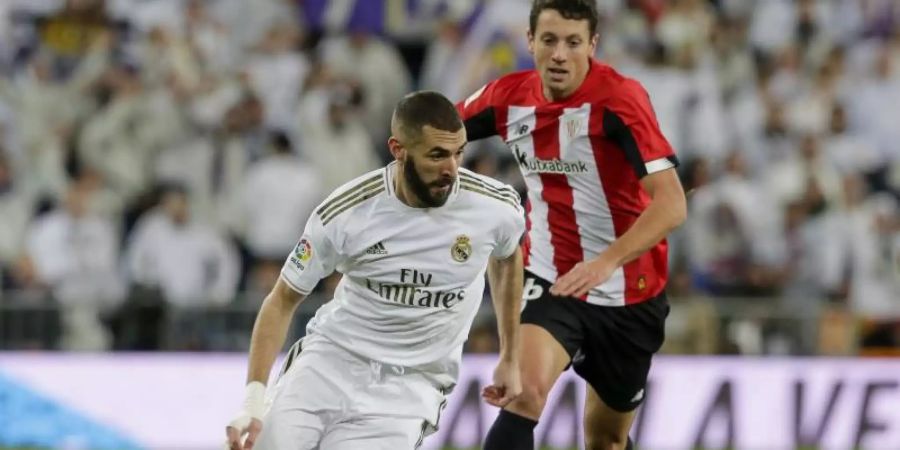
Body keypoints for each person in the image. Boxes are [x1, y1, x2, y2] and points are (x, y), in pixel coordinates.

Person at [225, 91, 526, 450]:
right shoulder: (346, 213)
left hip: (408, 389)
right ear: (398, 150)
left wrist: (510, 356)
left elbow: (508, 259)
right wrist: (253, 402)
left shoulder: (495, 207)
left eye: (459, 153)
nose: (452, 169)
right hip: (328, 364)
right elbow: (281, 300)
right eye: (437, 155)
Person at [456, 1, 688, 449]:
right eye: (549, 41)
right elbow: (434, 126)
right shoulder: (508, 97)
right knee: (523, 395)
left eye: (572, 42)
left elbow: (672, 204)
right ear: (530, 43)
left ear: (592, 45)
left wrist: (606, 261)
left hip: (629, 291)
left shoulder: (620, 100)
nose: (560, 54)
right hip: (552, 278)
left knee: (605, 439)